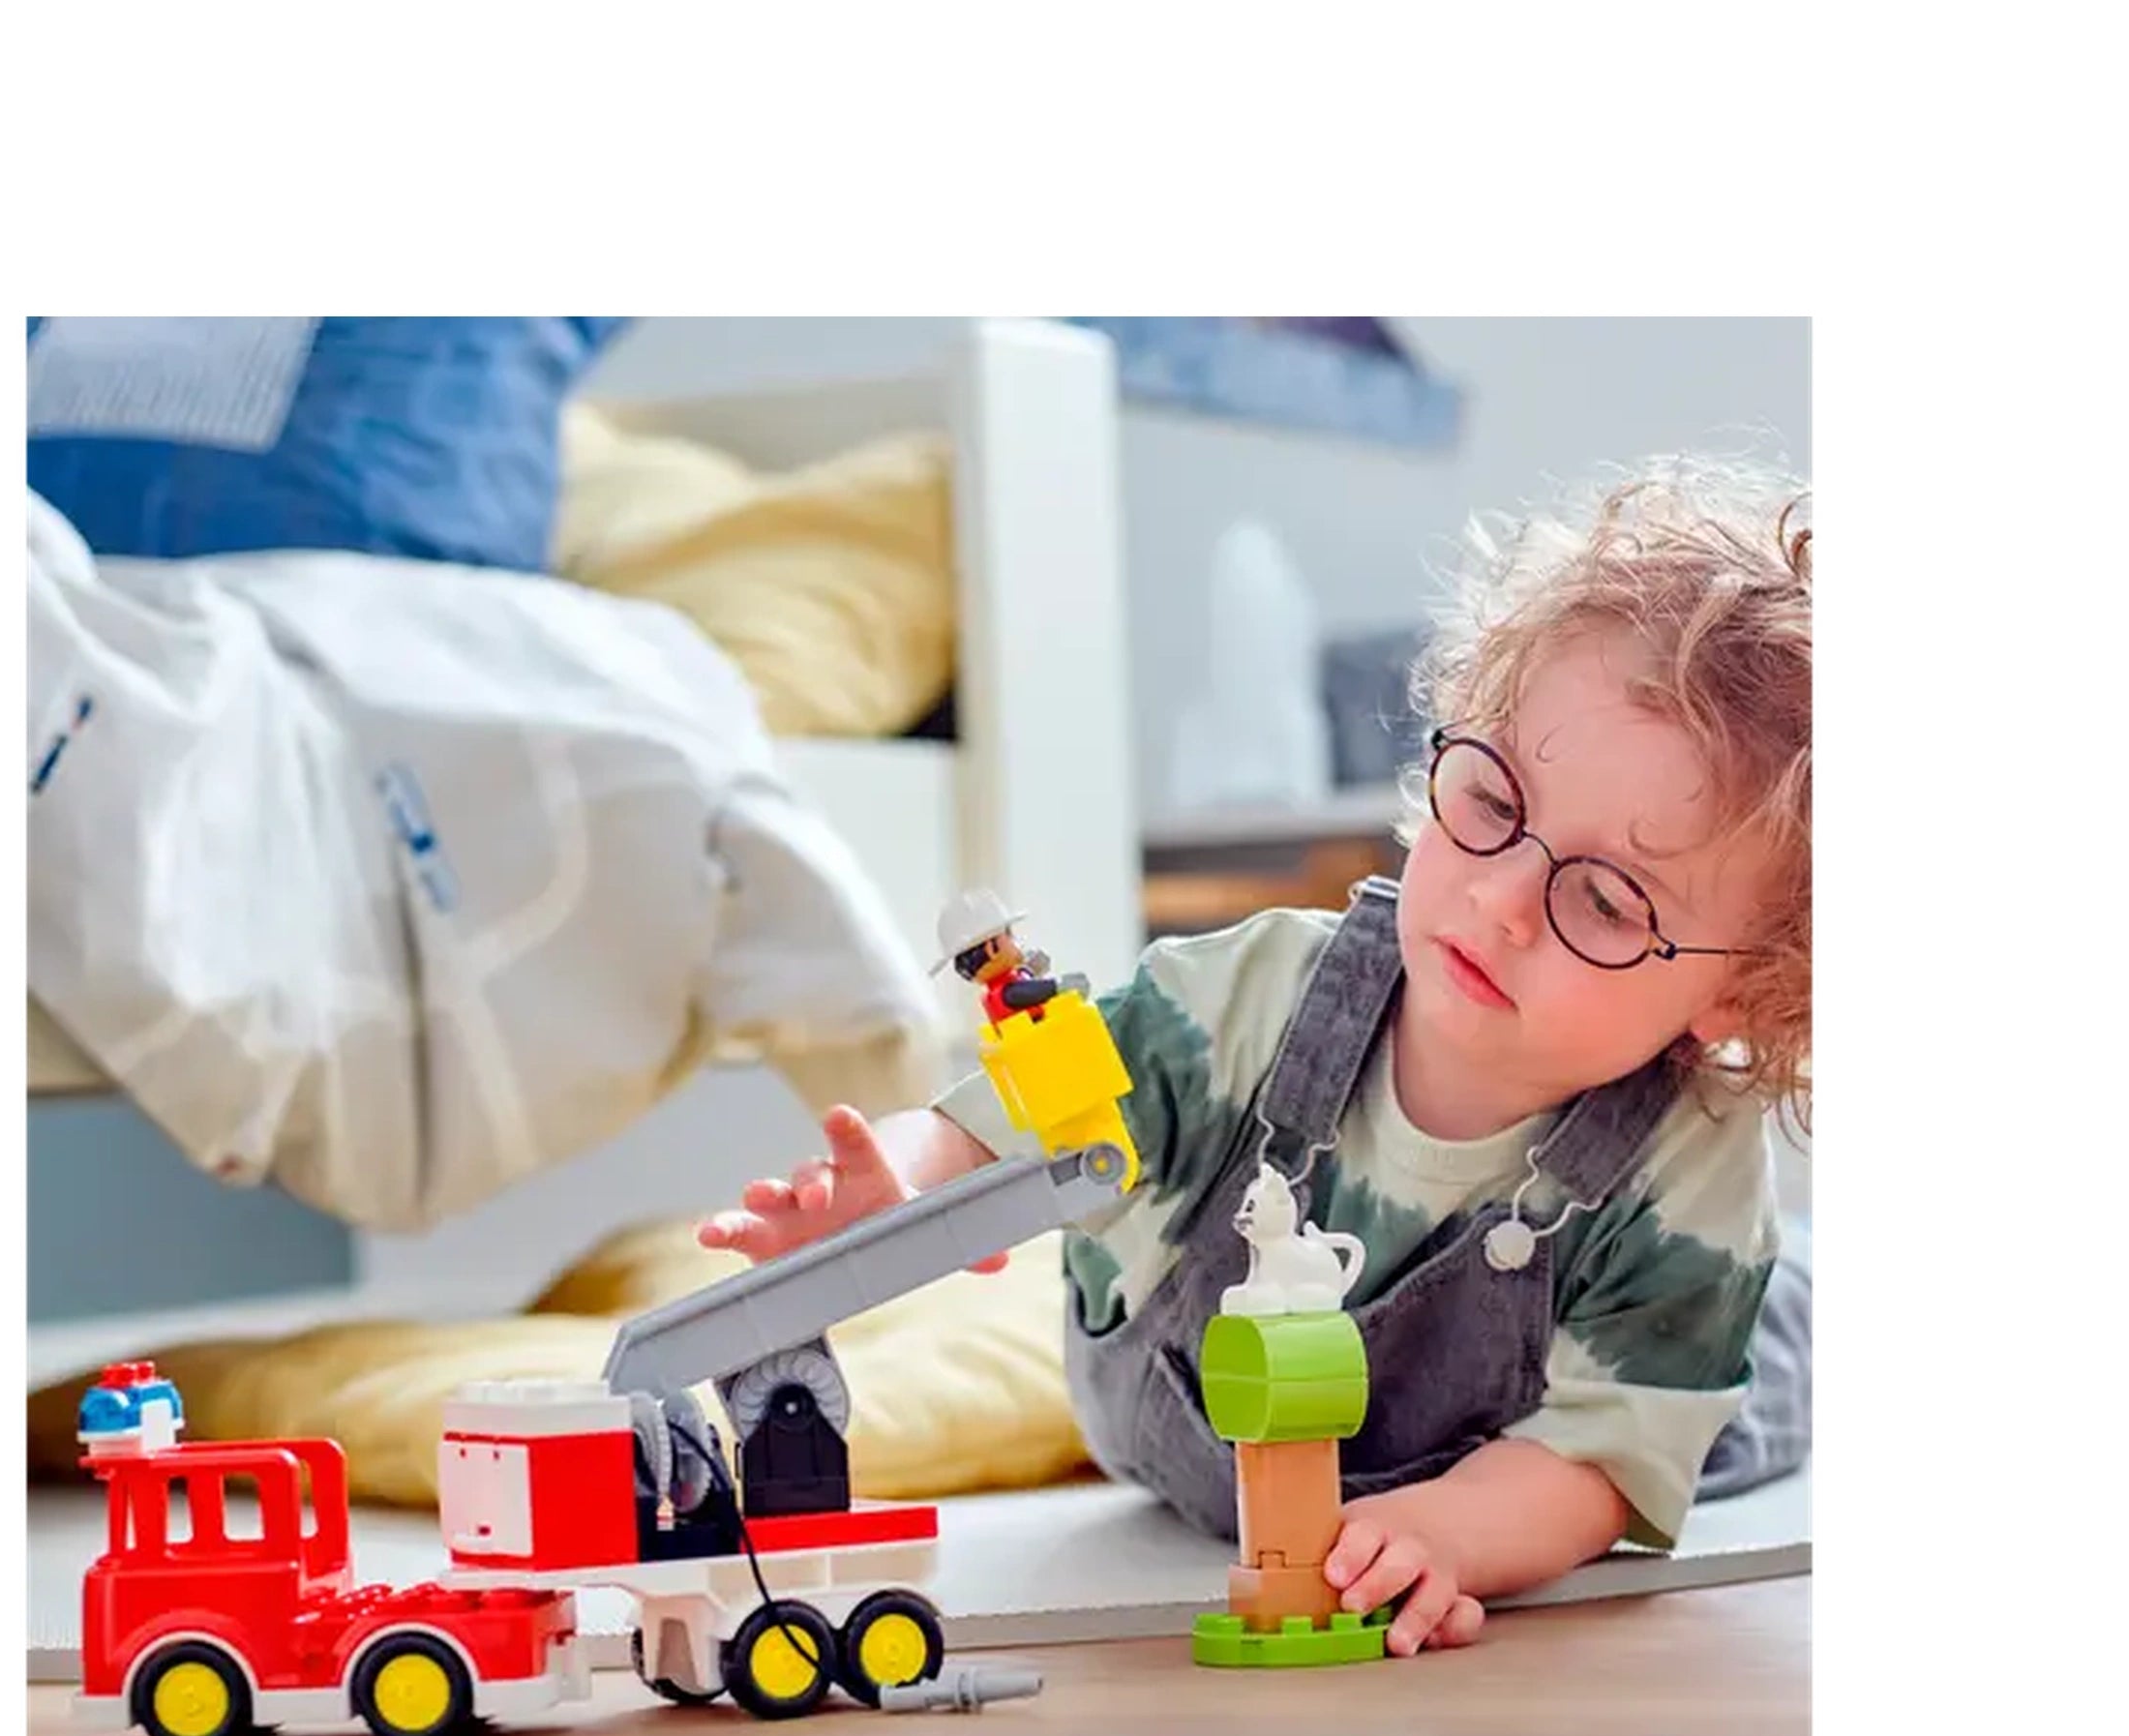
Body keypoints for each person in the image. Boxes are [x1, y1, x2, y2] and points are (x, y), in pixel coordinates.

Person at [700, 458, 1813, 1656]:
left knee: (1762, 1363)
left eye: (1602, 903)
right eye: (1490, 804)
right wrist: (896, 1196)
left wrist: (1452, 1530)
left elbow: (1602, 1453)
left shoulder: (1687, 1173)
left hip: (1652, 1370)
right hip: (1161, 1429)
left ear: (1734, 995)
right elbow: (1013, 1121)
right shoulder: (1253, 999)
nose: (1499, 905)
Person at [932, 888, 1061, 1025]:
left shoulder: (1004, 989)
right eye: (1009, 933)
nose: (1015, 940)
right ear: (991, 949)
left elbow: (1023, 982)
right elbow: (1026, 992)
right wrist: (1059, 985)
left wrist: (1030, 970)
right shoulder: (1005, 994)